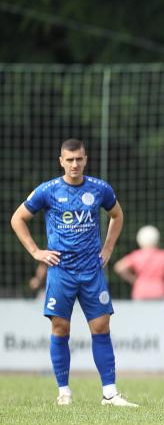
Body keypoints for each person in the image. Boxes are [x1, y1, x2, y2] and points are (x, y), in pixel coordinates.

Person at [10, 138, 136, 407]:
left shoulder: (100, 188)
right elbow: (17, 218)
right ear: (61, 161)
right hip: (61, 271)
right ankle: (64, 392)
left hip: (91, 270)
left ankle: (110, 393)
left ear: (86, 159)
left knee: (101, 326)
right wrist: (36, 252)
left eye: (79, 159)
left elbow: (117, 215)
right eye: (69, 160)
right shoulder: (48, 190)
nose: (75, 164)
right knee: (60, 327)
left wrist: (108, 248)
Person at [114, 225, 164, 300]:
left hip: (140, 290)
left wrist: (133, 280)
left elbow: (119, 267)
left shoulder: (137, 255)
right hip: (159, 290)